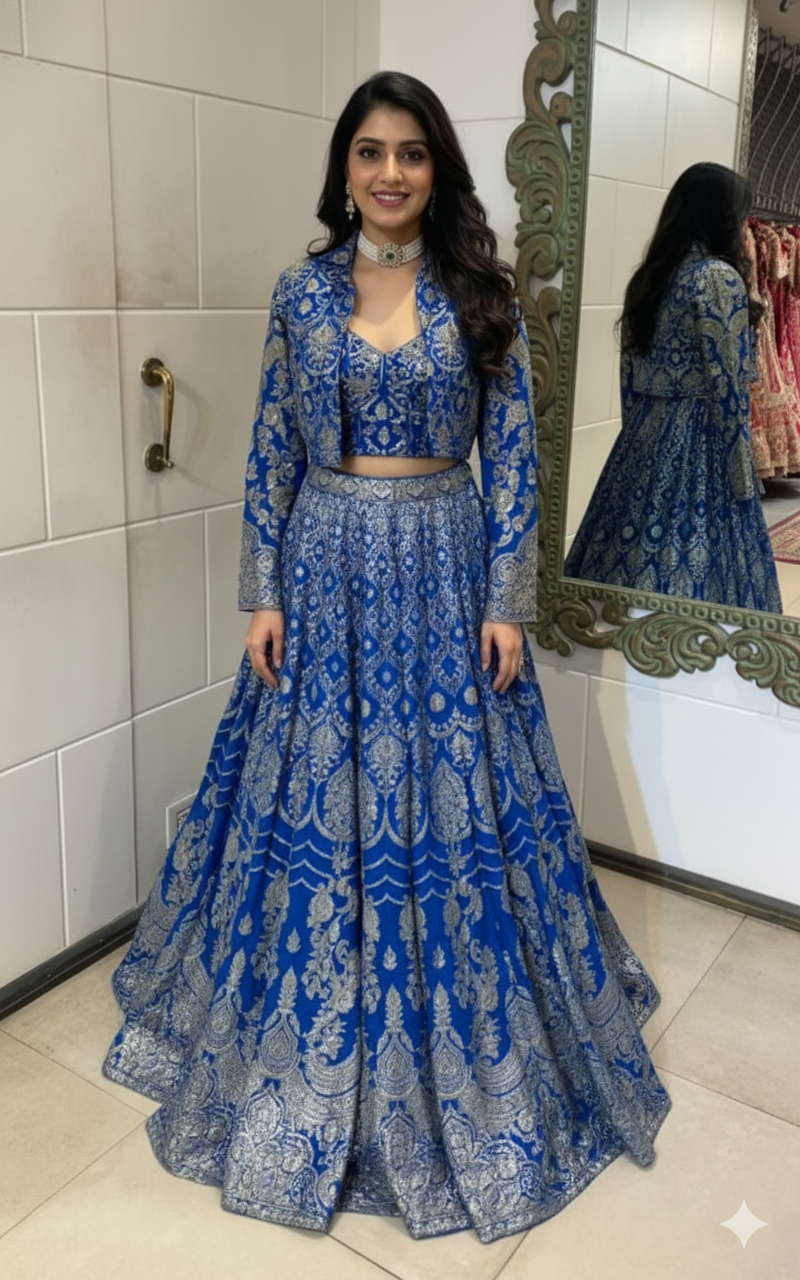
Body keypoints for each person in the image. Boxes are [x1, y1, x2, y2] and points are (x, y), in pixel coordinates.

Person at [103, 71, 670, 1243]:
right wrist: (258, 589)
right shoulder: (300, 291)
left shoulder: (476, 293)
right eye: (370, 152)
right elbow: (268, 448)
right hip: (320, 561)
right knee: (308, 786)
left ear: (436, 167)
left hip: (446, 560)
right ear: (343, 167)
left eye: (411, 153)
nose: (390, 173)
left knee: (453, 797)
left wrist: (508, 599)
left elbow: (510, 453)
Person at [565, 162, 783, 613]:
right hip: (700, 436)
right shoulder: (717, 277)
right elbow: (727, 387)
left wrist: (638, 435)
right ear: (720, 215)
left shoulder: (650, 276)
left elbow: (628, 373)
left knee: (632, 547)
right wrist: (742, 471)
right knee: (698, 553)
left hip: (643, 433)